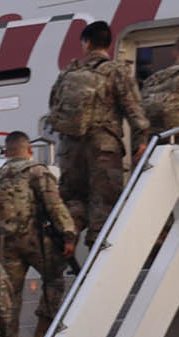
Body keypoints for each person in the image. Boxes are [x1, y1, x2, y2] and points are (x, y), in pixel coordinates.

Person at [0, 133, 81, 337]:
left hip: (3, 244)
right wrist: (68, 234)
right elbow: (54, 205)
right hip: (35, 240)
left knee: (8, 296)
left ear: (6, 153)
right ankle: (43, 329)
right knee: (54, 278)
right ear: (29, 150)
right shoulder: (36, 170)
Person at [51, 19, 151, 241]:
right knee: (103, 202)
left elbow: (53, 108)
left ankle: (66, 241)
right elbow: (134, 110)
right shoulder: (117, 71)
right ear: (108, 44)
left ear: (86, 44)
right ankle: (98, 254)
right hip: (103, 148)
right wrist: (140, 143)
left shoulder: (68, 73)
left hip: (70, 149)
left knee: (74, 199)